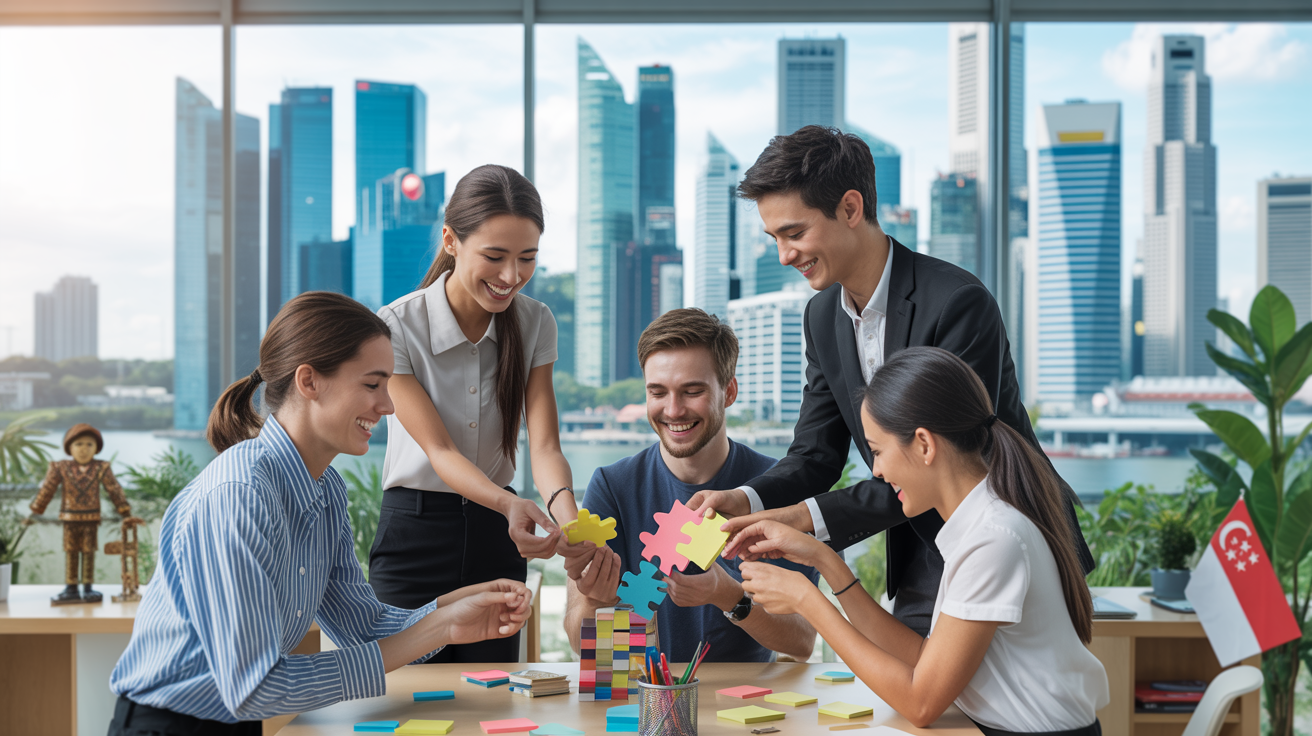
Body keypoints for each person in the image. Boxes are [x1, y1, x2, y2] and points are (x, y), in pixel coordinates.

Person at [689, 125, 1093, 635]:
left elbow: (938, 460)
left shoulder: (957, 303)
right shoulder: (821, 318)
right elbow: (815, 455)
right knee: (914, 711)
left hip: (1007, 541)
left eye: (794, 233)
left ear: (851, 208)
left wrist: (801, 521)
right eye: (774, 239)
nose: (784, 256)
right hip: (921, 555)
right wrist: (747, 499)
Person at [108, 291, 532, 735]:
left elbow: (362, 624)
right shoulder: (240, 494)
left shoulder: (325, 488)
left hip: (236, 724)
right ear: (308, 382)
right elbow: (253, 688)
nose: (388, 407)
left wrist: (450, 610)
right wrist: (433, 630)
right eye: (372, 385)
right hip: (166, 726)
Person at [728, 346, 1109, 736]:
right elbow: (924, 659)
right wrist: (823, 559)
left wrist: (808, 601)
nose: (876, 470)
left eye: (877, 451)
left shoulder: (994, 539)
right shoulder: (982, 521)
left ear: (925, 445)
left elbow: (920, 702)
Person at [369, 164, 588, 662]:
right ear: (451, 240)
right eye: (495, 256)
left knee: (490, 701)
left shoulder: (536, 323)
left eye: (527, 258)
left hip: (497, 538)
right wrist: (509, 504)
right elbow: (439, 450)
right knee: (399, 694)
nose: (512, 276)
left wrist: (570, 524)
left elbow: (546, 446)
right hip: (415, 535)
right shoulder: (396, 326)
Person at [564, 309, 818, 663]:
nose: (673, 410)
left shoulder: (779, 487)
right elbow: (581, 643)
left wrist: (728, 595)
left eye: (692, 391)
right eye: (658, 392)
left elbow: (802, 641)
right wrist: (599, 601)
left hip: (743, 701)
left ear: (728, 392)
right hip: (646, 700)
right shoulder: (611, 485)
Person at [27, 423, 140, 604]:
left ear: (96, 448)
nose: (83, 449)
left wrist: (125, 511)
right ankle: (71, 588)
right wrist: (35, 512)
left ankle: (88, 587)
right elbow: (47, 489)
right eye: (78, 444)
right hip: (69, 518)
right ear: (69, 448)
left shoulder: (101, 468)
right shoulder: (60, 467)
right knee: (71, 551)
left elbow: (114, 489)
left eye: (89, 444)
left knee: (89, 552)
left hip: (91, 519)